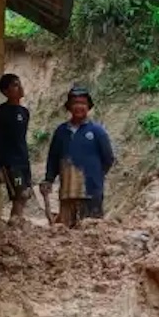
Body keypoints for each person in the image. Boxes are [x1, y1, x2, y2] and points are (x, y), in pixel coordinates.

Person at [41, 85, 115, 227]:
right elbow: (53, 158)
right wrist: (49, 179)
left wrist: (95, 176)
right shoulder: (61, 131)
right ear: (68, 107)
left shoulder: (97, 131)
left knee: (91, 229)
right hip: (67, 192)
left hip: (91, 192)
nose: (78, 107)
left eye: (82, 103)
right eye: (75, 103)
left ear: (89, 106)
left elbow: (108, 158)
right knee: (68, 232)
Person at [0, 73, 32, 222]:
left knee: (25, 195)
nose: (20, 87)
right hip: (10, 164)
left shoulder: (24, 112)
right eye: (15, 85)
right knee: (19, 196)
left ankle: (16, 225)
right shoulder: (0, 113)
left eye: (19, 84)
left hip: (23, 160)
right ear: (5, 91)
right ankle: (14, 227)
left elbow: (21, 139)